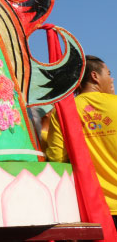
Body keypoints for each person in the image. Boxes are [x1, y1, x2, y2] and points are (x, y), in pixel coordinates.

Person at [46, 55, 117, 226]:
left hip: (91, 209)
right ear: (95, 76)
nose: (111, 78)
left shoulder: (62, 112)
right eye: (108, 73)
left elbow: (57, 160)